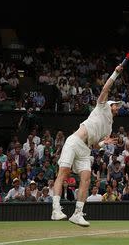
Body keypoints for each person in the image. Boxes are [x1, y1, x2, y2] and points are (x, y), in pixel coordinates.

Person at [51, 64, 124, 227]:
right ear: (109, 105)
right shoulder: (102, 106)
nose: (117, 107)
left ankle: (77, 213)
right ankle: (56, 209)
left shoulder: (109, 128)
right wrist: (115, 73)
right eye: (116, 105)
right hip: (74, 141)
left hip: (85, 149)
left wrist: (103, 143)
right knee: (63, 173)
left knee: (86, 178)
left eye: (118, 105)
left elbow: (96, 146)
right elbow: (105, 89)